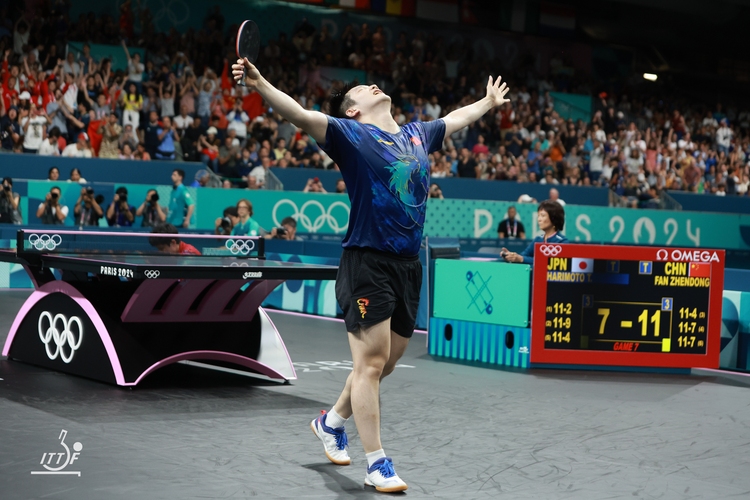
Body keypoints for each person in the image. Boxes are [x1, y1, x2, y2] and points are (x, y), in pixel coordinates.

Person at [232, 56, 510, 492]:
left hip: (407, 263)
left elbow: (456, 119)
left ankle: (331, 421)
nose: (373, 87)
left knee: (388, 361)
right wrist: (261, 82)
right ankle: (377, 462)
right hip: (367, 260)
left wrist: (488, 103)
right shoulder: (349, 134)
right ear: (352, 109)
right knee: (371, 362)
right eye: (362, 89)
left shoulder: (419, 133)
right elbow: (299, 114)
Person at [501, 200, 567, 265]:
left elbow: (550, 262)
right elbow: (523, 255)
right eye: (538, 216)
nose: (539, 219)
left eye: (543, 216)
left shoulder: (562, 241)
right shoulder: (538, 239)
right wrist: (511, 256)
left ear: (554, 218)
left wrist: (521, 258)